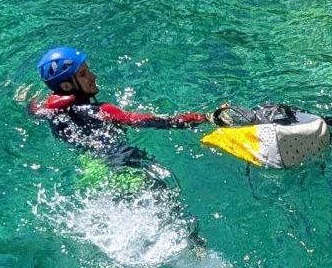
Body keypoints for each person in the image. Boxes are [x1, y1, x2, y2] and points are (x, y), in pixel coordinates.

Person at [26, 47, 213, 180]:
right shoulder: (102, 110)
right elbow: (147, 121)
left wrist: (28, 98)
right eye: (83, 74)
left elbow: (33, 110)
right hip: (125, 165)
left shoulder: (48, 111)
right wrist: (202, 118)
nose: (93, 76)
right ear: (67, 85)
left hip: (91, 172)